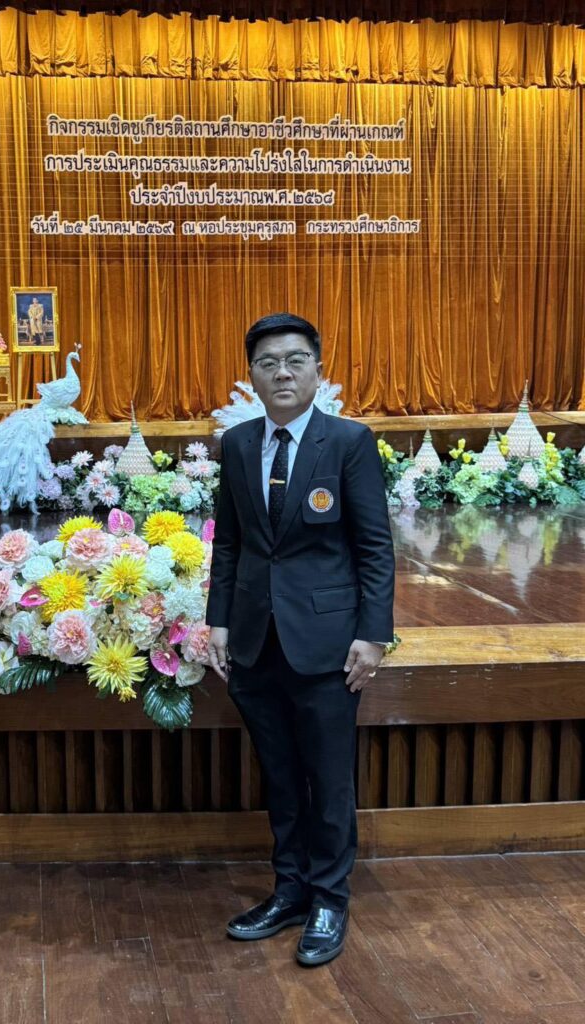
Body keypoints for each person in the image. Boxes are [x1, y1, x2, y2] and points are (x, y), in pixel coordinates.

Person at [206, 312, 395, 967]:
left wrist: (374, 635)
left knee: (328, 780)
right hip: (255, 642)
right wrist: (219, 619)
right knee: (281, 777)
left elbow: (374, 546)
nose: (281, 373)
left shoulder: (348, 442)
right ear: (252, 376)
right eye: (268, 363)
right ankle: (289, 891)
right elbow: (228, 542)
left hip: (327, 645)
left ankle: (329, 900)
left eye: (294, 361)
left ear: (317, 370)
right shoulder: (237, 444)